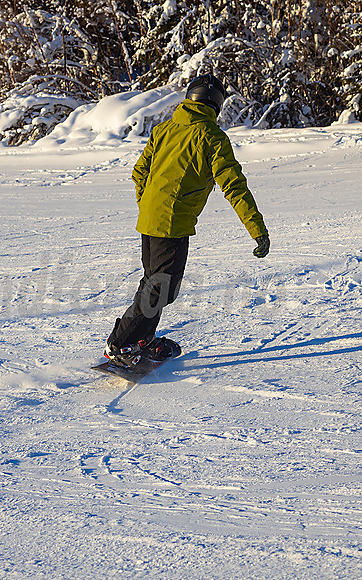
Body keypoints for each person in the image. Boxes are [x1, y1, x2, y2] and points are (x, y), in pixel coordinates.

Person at [104, 73, 270, 369]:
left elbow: (139, 172)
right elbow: (234, 186)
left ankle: (143, 339)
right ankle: (121, 343)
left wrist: (150, 205)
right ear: (216, 104)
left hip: (151, 220)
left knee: (154, 285)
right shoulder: (212, 137)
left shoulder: (165, 129)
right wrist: (256, 230)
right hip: (172, 224)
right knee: (160, 289)